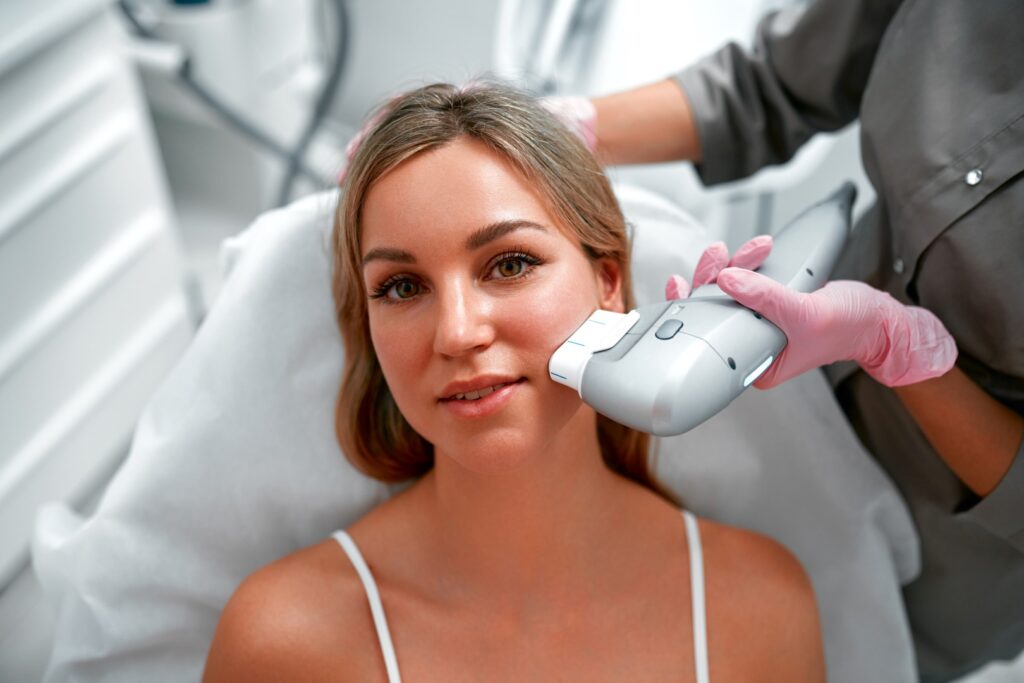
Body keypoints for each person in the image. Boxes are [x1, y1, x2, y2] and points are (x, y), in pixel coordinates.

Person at [201, 82, 826, 682]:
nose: (457, 333)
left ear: (608, 284)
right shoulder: (281, 644)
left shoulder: (759, 609)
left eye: (509, 264)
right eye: (402, 286)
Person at [560, 1, 1024, 680]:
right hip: (773, 406)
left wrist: (891, 343)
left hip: (937, 563)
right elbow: (770, 86)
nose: (464, 329)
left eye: (510, 265)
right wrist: (563, 131)